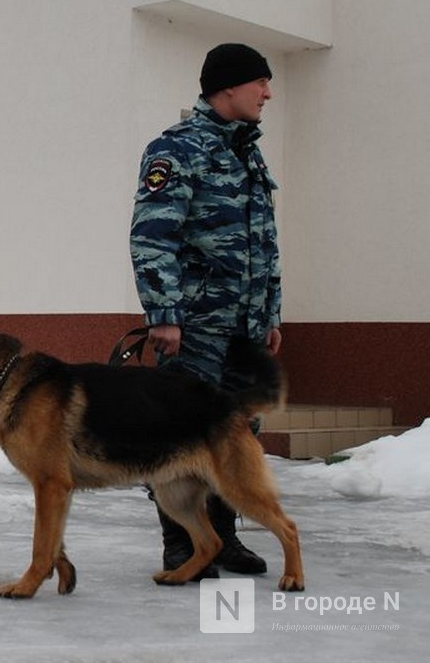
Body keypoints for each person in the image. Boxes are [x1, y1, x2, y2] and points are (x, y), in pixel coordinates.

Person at [130, 43, 281, 578]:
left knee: (238, 436)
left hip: (244, 331)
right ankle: (181, 541)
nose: (268, 93)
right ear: (227, 87)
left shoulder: (247, 153)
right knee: (180, 437)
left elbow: (262, 242)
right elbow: (153, 238)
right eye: (260, 82)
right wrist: (164, 313)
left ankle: (224, 538)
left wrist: (269, 314)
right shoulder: (178, 149)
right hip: (194, 329)